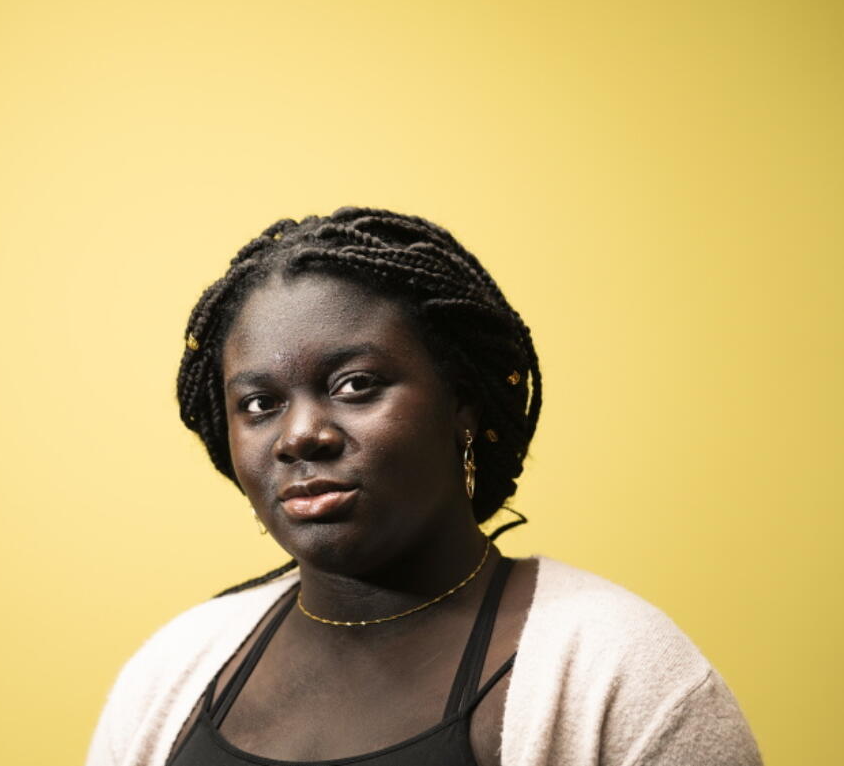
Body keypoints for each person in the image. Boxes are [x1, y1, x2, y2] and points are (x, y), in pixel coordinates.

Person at [86, 207, 761, 766]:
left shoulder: (620, 670)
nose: (300, 435)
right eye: (260, 404)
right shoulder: (175, 667)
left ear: (461, 404)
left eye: (355, 385)